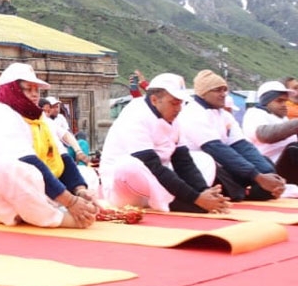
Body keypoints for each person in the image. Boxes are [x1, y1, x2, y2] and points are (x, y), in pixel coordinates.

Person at [0, 63, 98, 229]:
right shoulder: (2, 115)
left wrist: (79, 191)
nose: (35, 95)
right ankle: (58, 218)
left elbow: (61, 155)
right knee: (9, 168)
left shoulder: (38, 116)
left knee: (87, 174)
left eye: (37, 90)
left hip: (36, 190)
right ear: (12, 90)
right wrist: (71, 201)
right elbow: (29, 162)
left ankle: (57, 209)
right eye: (28, 89)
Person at [100, 73, 230, 214]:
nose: (178, 108)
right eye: (174, 103)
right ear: (155, 100)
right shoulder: (135, 115)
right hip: (126, 191)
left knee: (204, 159)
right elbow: (153, 167)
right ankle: (178, 203)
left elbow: (183, 162)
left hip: (159, 186)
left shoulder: (174, 119)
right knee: (128, 165)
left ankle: (196, 199)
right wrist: (196, 198)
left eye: (180, 103)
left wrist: (204, 191)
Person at [175, 69, 285, 202]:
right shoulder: (193, 113)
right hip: (202, 166)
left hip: (223, 161)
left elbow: (241, 145)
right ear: (203, 94)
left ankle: (256, 189)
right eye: (217, 90)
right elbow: (217, 150)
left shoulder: (224, 115)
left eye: (224, 90)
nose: (223, 94)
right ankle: (243, 192)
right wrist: (258, 177)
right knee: (216, 167)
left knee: (265, 164)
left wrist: (267, 173)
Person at [241, 80, 298, 184]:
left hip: (287, 167)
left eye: (285, 101)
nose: (284, 105)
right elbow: (265, 135)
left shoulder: (282, 118)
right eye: (279, 101)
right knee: (293, 148)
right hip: (267, 169)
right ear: (266, 101)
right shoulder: (254, 113)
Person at [40, 96, 90, 165]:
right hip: (52, 154)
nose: (56, 109)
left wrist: (78, 151)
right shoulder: (42, 120)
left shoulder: (59, 118)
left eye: (57, 107)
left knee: (82, 141)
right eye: (53, 107)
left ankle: (81, 167)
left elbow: (66, 134)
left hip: (65, 147)